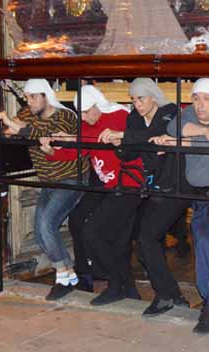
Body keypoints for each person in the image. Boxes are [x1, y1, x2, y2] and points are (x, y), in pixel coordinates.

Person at [151, 78, 209, 334]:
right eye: (196, 98)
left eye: (206, 98)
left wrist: (183, 140)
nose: (200, 104)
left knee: (206, 241)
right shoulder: (190, 114)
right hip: (201, 194)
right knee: (207, 244)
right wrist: (203, 131)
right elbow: (173, 127)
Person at [40, 85, 144, 304]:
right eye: (82, 113)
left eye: (87, 111)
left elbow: (117, 137)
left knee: (95, 232)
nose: (84, 117)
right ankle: (124, 286)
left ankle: (118, 284)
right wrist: (53, 151)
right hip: (110, 187)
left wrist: (72, 138)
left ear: (98, 105)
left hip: (128, 186)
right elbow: (78, 149)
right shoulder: (88, 124)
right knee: (114, 238)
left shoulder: (119, 115)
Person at [0, 79, 88, 301]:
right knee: (39, 231)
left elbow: (48, 134)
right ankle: (68, 274)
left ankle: (61, 275)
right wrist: (10, 128)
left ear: (46, 96)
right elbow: (13, 130)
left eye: (33, 97)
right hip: (48, 179)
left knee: (47, 223)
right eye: (27, 97)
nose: (29, 102)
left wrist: (18, 125)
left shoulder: (65, 116)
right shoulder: (28, 114)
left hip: (71, 178)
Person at [115, 78, 192, 316]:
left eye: (141, 98)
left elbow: (158, 136)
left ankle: (166, 295)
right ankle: (173, 295)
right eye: (133, 99)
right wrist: (124, 141)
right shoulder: (134, 118)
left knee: (147, 237)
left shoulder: (170, 113)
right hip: (155, 185)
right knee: (145, 237)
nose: (137, 104)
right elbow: (127, 154)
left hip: (179, 185)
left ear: (153, 96)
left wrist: (129, 137)